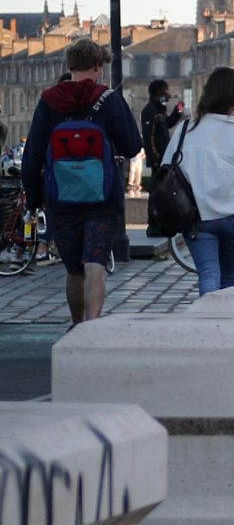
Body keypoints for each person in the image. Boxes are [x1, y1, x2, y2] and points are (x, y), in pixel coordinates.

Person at [20, 39, 144, 324]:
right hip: (102, 198)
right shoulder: (109, 99)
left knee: (74, 269)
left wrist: (35, 199)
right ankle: (92, 327)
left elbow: (33, 156)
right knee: (95, 265)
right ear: (98, 66)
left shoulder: (50, 100)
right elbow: (132, 146)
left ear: (70, 65)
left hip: (61, 198)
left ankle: (76, 327)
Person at [167, 67, 234, 296]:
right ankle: (226, 323)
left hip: (197, 217)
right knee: (229, 278)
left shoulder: (185, 130)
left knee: (208, 274)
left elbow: (166, 171)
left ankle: (207, 321)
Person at [139, 77, 181, 180]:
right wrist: (155, 159)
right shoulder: (150, 111)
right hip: (159, 160)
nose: (168, 94)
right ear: (159, 91)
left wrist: (177, 112)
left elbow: (168, 124)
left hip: (164, 157)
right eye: (166, 89)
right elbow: (148, 137)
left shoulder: (159, 110)